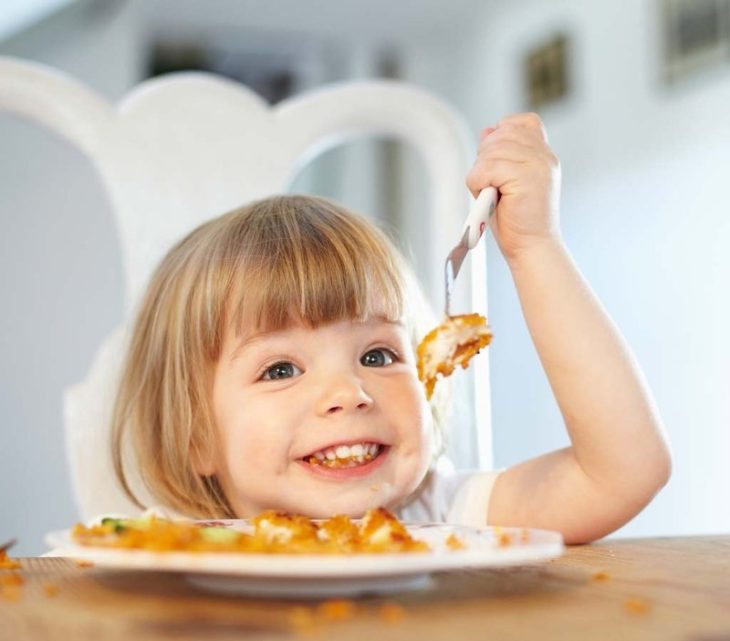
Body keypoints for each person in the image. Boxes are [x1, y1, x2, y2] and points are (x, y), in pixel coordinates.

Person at [111, 113, 671, 545]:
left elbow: (623, 472)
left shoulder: (445, 516)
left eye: (377, 355)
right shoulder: (176, 556)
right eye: (280, 368)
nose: (349, 394)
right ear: (196, 436)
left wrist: (532, 247)